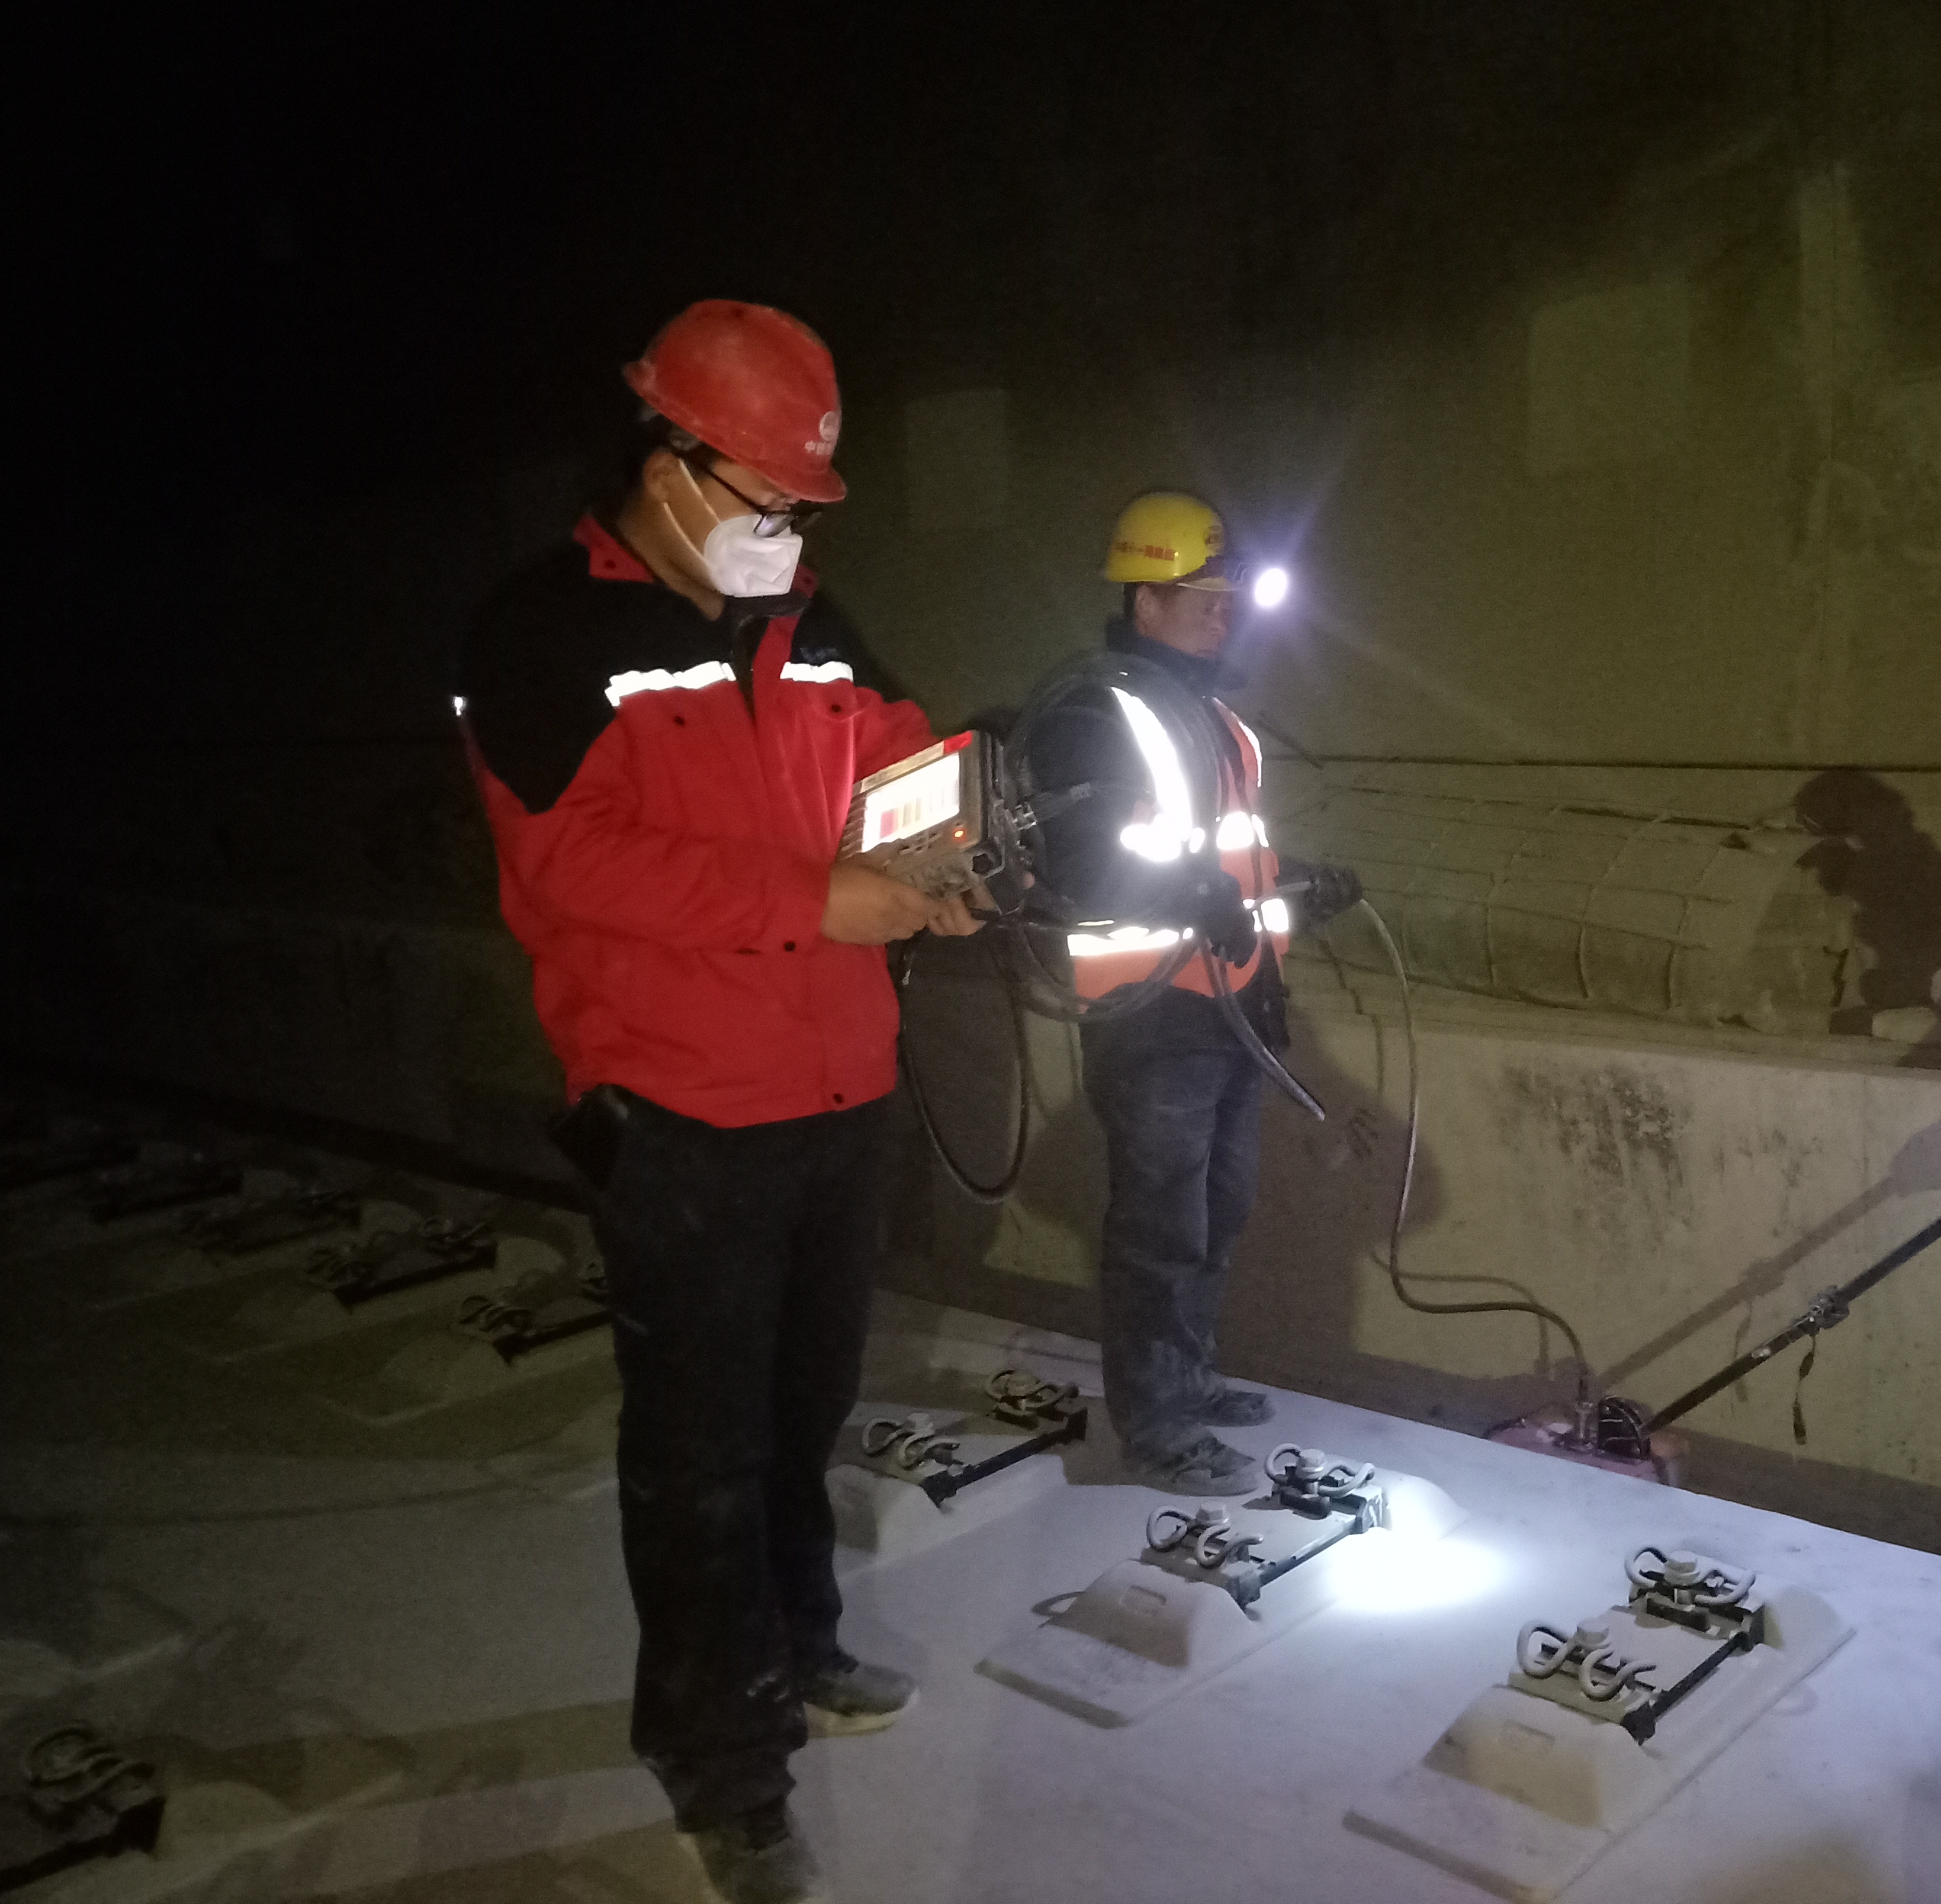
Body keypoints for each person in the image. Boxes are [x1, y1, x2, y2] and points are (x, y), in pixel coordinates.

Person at [457, 300, 982, 1903]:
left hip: (838, 1091)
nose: (789, 528)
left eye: (807, 501)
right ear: (666, 458)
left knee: (799, 1420)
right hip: (683, 1114)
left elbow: (902, 758)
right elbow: (575, 864)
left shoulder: (809, 618)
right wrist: (820, 899)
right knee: (699, 1457)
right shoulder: (542, 633)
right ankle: (719, 1762)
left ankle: (798, 1645)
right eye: (766, 493)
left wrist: (949, 847)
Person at [1021, 490, 1361, 1495]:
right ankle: (1158, 1425)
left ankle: (1190, 1376)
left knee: (1220, 1207)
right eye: (1203, 597)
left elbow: (1229, 854)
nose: (1224, 614)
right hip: (1153, 1011)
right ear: (1145, 600)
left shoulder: (1216, 720)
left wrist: (1300, 880)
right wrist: (1191, 893)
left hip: (1234, 1006)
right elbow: (1078, 860)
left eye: (1227, 598)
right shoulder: (1094, 712)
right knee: (1161, 1226)